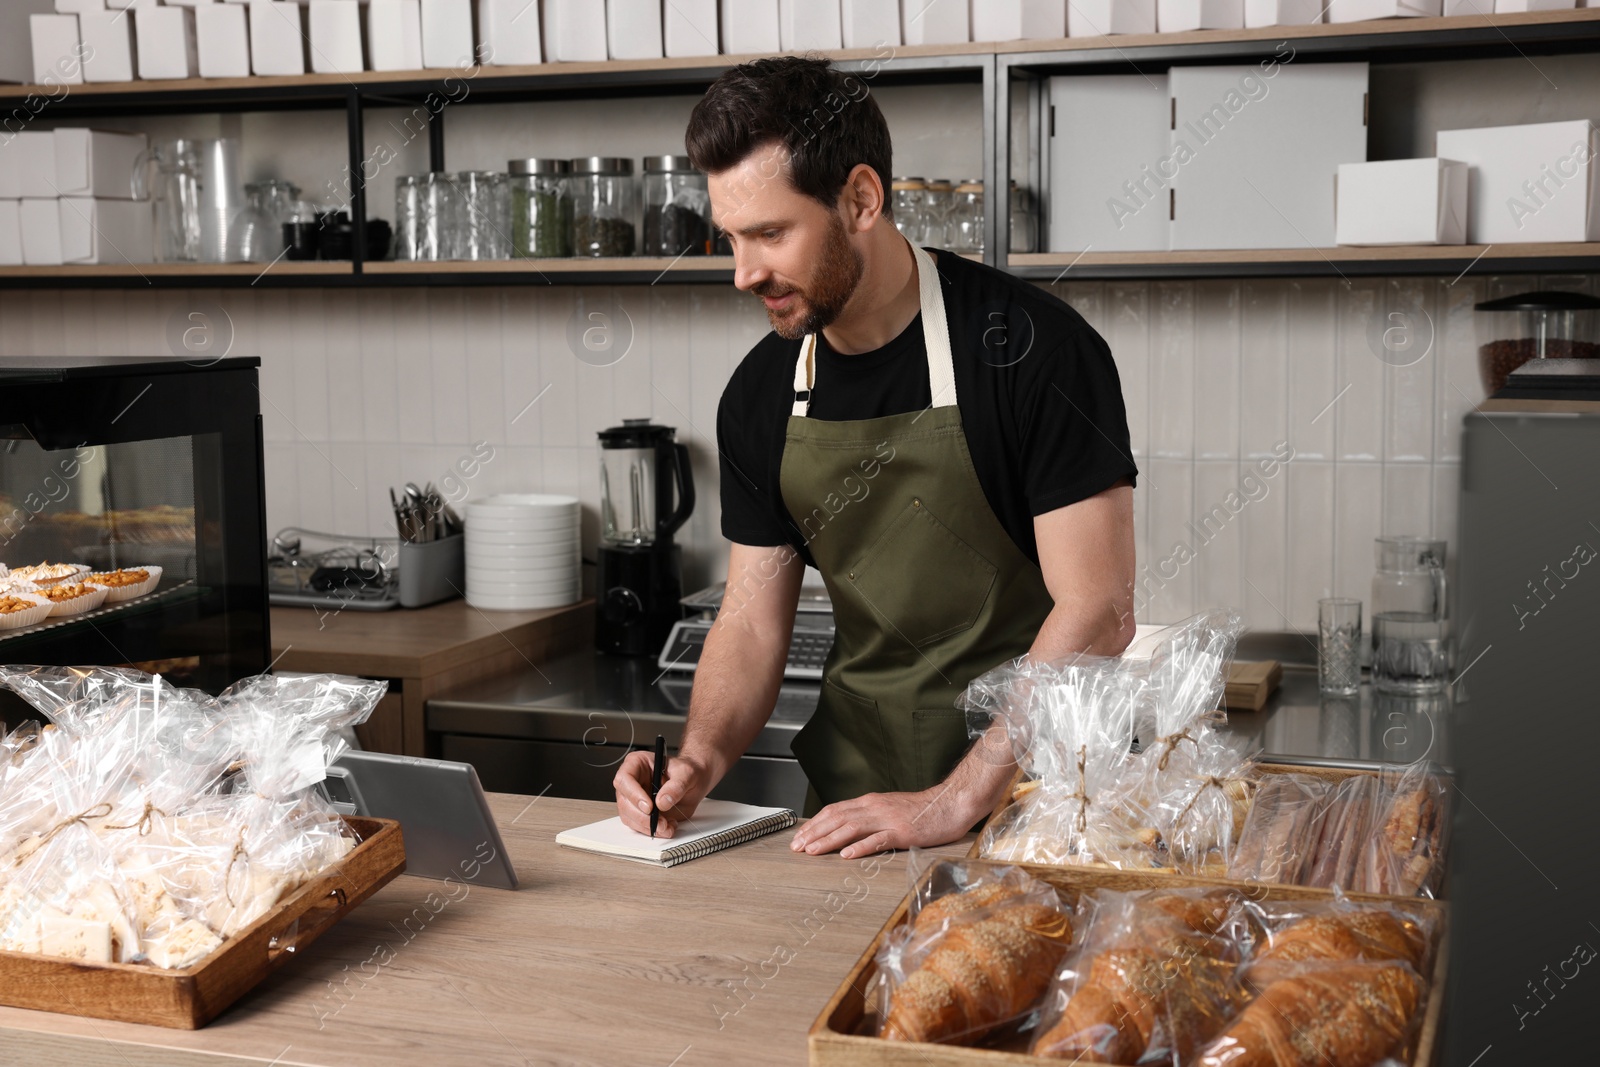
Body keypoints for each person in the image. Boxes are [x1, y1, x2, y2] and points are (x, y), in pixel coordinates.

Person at [614, 56, 1137, 858]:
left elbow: (1099, 612)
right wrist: (697, 758)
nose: (742, 272)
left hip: (1044, 815)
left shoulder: (1036, 352)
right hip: (854, 819)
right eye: (730, 238)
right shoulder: (760, 393)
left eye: (770, 234)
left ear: (861, 199)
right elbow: (751, 624)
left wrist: (952, 800)